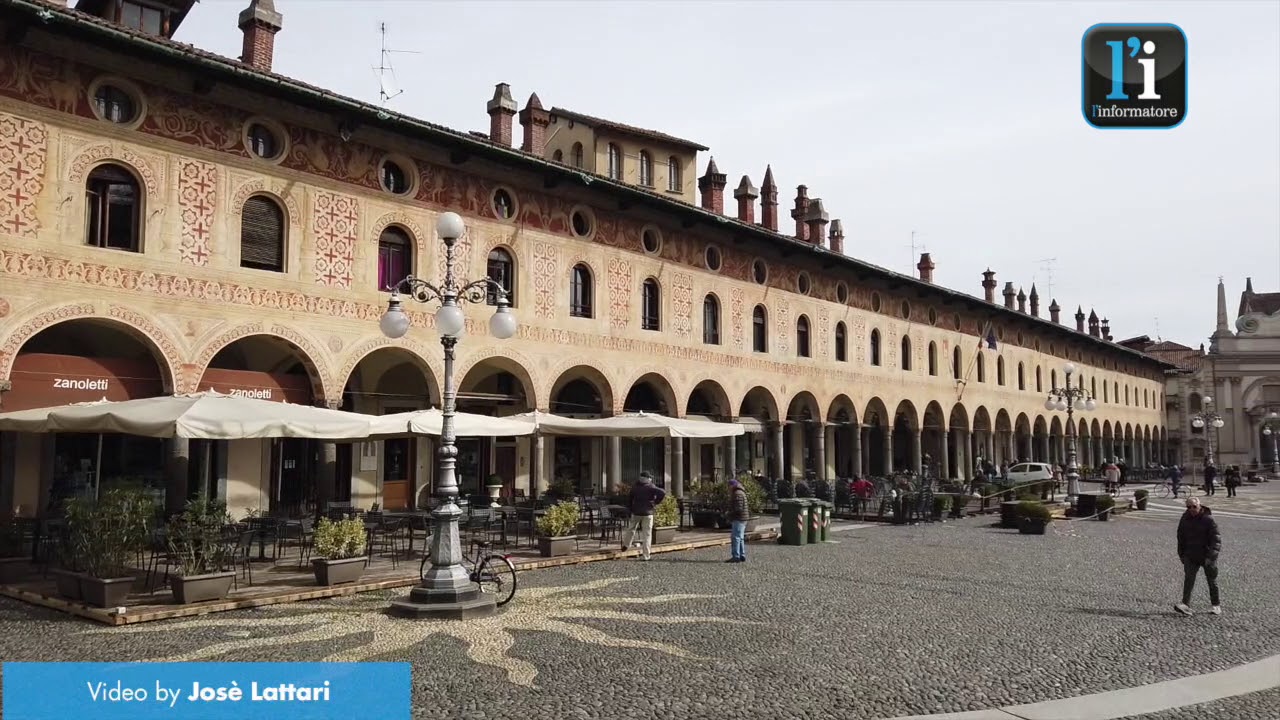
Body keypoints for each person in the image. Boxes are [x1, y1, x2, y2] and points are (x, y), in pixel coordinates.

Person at [1175, 496, 1222, 616]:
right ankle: (1185, 604)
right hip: (1191, 555)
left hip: (1206, 556)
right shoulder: (1185, 518)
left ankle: (1216, 605)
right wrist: (1182, 554)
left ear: (1199, 506)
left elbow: (1216, 540)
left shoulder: (1208, 519)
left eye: (1194, 506)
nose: (1191, 509)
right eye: (1189, 507)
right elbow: (1180, 537)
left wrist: (1211, 557)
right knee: (1188, 580)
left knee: (1212, 581)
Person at [622, 471, 666, 561]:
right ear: (648, 479)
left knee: (631, 529)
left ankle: (626, 545)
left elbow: (629, 499)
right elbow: (663, 492)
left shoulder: (635, 487)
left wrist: (630, 509)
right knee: (647, 534)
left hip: (636, 512)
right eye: (650, 477)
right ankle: (646, 555)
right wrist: (656, 502)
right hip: (648, 513)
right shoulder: (651, 487)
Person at [726, 479, 749, 563]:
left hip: (738, 518)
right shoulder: (740, 492)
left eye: (729, 486)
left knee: (735, 537)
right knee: (740, 537)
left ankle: (736, 556)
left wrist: (729, 513)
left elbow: (738, 508)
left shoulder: (737, 494)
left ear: (732, 485)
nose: (728, 488)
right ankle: (742, 555)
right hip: (742, 518)